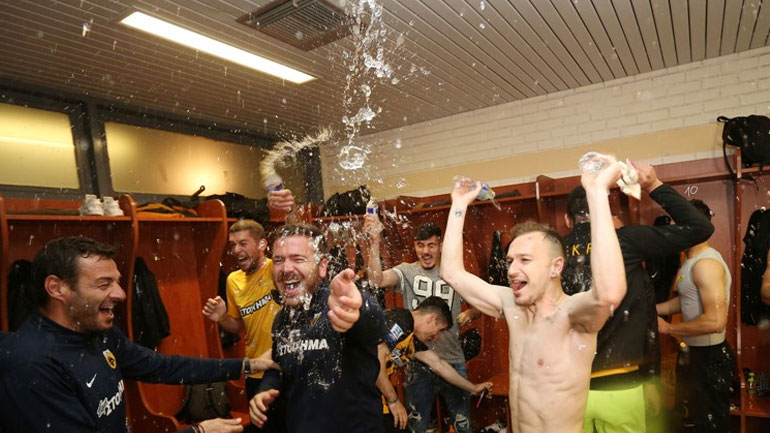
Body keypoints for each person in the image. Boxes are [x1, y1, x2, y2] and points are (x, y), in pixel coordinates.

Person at [0, 236, 276, 433]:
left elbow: (162, 366)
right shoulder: (30, 365)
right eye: (104, 284)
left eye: (117, 282)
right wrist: (198, 431)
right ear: (56, 288)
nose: (121, 294)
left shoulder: (96, 332)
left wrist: (247, 365)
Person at [441, 154, 628, 433]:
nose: (512, 270)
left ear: (556, 267)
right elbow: (452, 273)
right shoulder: (512, 306)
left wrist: (597, 192)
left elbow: (609, 293)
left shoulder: (571, 317)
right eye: (510, 261)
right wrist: (458, 204)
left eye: (525, 260)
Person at [561, 163, 714, 433]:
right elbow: (700, 227)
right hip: (620, 384)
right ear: (605, 212)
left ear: (566, 219)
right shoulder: (626, 241)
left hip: (568, 387)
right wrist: (653, 184)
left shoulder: (551, 251)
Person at [248, 224, 386, 433]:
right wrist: (266, 389)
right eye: (278, 260)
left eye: (298, 259)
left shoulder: (339, 302)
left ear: (322, 267)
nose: (285, 269)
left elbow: (375, 325)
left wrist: (357, 310)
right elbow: (279, 365)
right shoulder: (282, 319)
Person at [365, 218, 481, 433]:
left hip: (452, 359)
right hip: (416, 364)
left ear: (441, 246)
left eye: (431, 245)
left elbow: (480, 306)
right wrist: (374, 242)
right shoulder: (406, 273)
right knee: (417, 427)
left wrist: (469, 313)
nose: (425, 251)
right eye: (420, 245)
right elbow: (376, 280)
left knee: (463, 426)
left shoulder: (455, 274)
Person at [656, 199, 735, 433]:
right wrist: (655, 309)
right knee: (690, 421)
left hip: (708, 357)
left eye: (677, 226)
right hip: (693, 353)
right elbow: (687, 299)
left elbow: (715, 321)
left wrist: (669, 329)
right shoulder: (691, 261)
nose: (673, 233)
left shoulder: (705, 264)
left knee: (707, 425)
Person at [377, 296, 492, 433]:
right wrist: (393, 400)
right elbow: (375, 362)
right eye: (439, 330)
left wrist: (473, 388)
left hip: (376, 398)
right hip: (360, 395)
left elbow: (439, 365)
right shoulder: (399, 320)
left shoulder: (413, 339)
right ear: (431, 318)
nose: (436, 337)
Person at [202, 220, 281, 403]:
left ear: (262, 244)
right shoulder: (233, 280)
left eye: (243, 243)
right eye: (233, 245)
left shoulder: (276, 268)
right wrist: (222, 318)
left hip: (283, 367)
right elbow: (238, 326)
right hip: (255, 370)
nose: (236, 250)